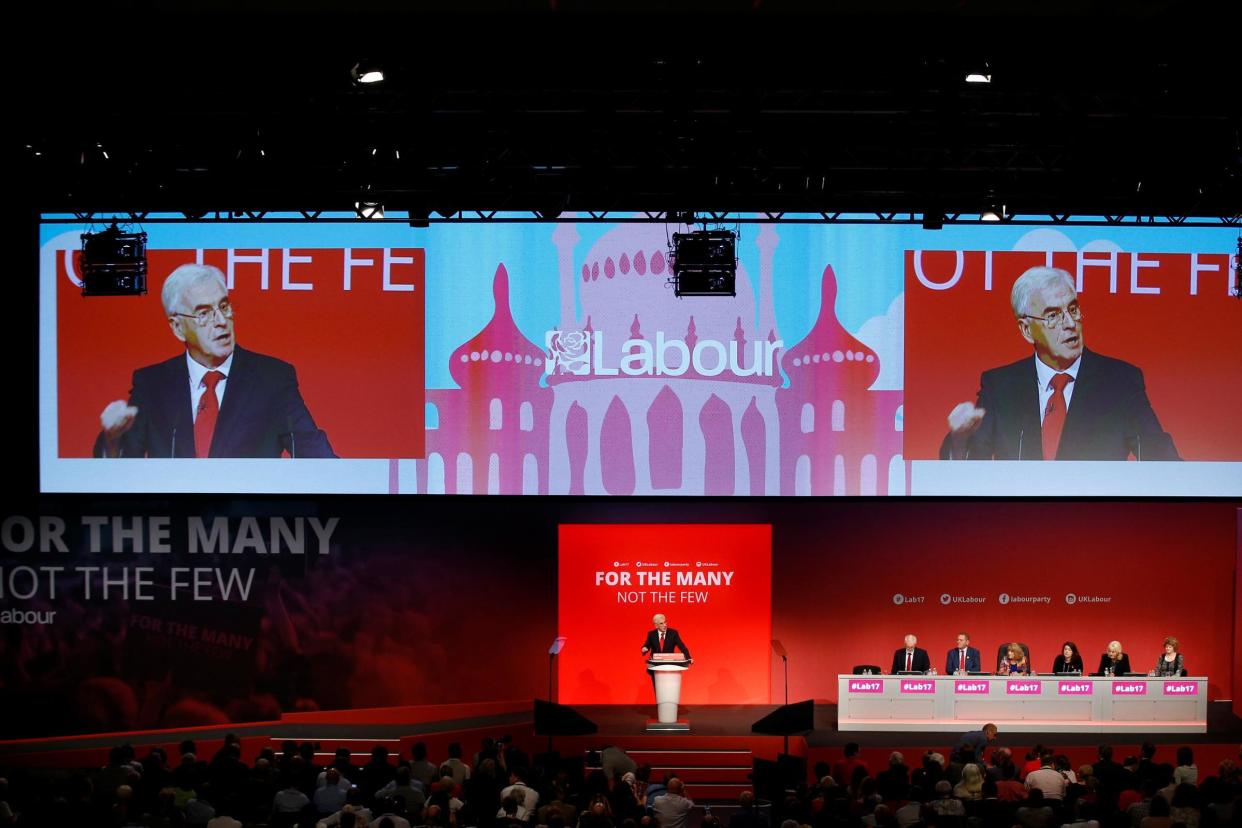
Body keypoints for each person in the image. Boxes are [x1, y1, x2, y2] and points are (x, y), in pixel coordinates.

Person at [94, 263, 335, 458]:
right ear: (178, 327)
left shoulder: (271, 378)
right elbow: (123, 468)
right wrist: (113, 440)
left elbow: (312, 451)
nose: (220, 321)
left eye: (224, 307)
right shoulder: (152, 384)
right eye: (203, 313)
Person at [940, 266, 1178, 461]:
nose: (1070, 323)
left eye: (1073, 309)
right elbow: (971, 470)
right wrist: (960, 440)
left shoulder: (1120, 381)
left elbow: (1161, 457)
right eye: (1053, 315)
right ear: (1026, 330)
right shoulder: (1001, 386)